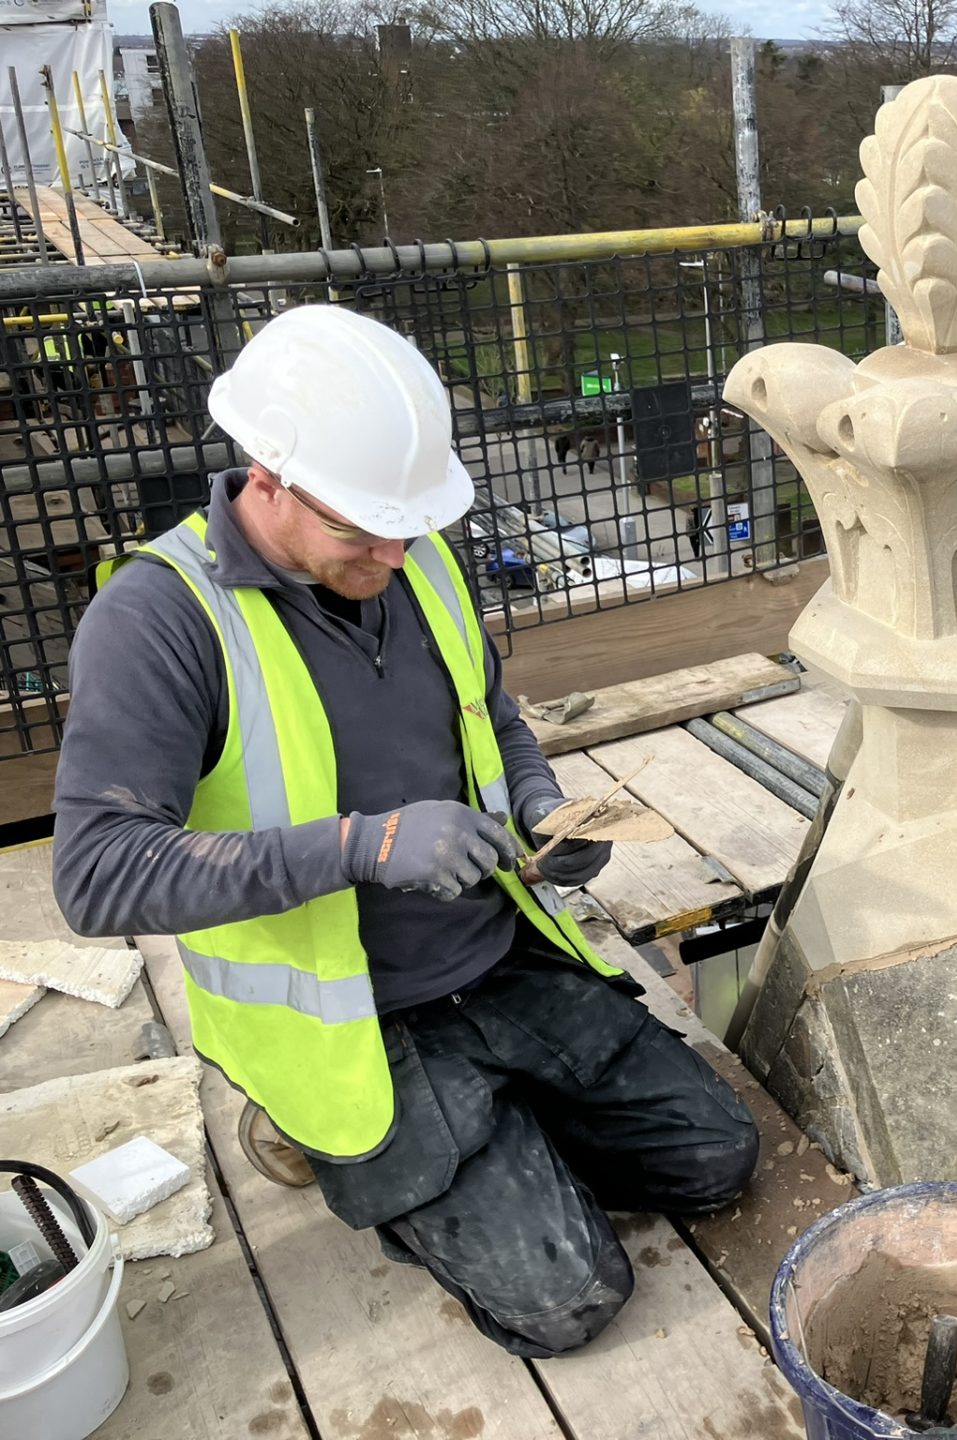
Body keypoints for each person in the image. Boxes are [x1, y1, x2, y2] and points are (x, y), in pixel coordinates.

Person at [51, 306, 759, 1356]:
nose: (391, 550)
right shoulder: (160, 621)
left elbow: (494, 715)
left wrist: (538, 807)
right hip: (357, 1027)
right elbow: (94, 875)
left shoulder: (416, 557)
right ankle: (359, 1144)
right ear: (266, 475)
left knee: (719, 1158)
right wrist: (362, 847)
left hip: (496, 958)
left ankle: (491, 1140)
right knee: (567, 1301)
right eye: (356, 529)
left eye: (405, 525)